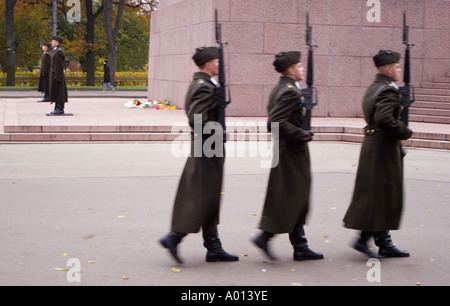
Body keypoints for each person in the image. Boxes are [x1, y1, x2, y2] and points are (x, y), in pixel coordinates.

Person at [158, 47, 239, 264]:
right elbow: (196, 119)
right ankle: (174, 237)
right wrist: (217, 132)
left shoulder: (205, 84)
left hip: (208, 147)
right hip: (206, 149)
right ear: (207, 65)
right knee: (201, 196)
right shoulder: (204, 87)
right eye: (216, 61)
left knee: (210, 195)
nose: (219, 65)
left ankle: (213, 247)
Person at [252, 51, 323, 261]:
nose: (302, 69)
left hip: (286, 148)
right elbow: (274, 122)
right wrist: (299, 133)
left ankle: (299, 245)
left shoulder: (281, 88)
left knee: (293, 195)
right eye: (300, 66)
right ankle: (267, 237)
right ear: (291, 69)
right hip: (291, 150)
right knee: (294, 196)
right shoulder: (290, 91)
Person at [343, 50, 413, 258]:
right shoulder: (388, 91)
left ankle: (384, 242)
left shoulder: (375, 87)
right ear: (389, 69)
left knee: (381, 192)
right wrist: (404, 131)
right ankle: (363, 240)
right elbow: (385, 119)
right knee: (381, 193)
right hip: (383, 148)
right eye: (397, 67)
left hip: (375, 145)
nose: (399, 70)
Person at [48, 35, 68, 115]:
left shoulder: (59, 51)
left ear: (57, 42)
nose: (52, 42)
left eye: (53, 41)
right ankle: (57, 107)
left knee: (59, 92)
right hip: (56, 74)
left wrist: (57, 77)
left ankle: (59, 108)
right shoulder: (57, 51)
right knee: (57, 92)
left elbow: (59, 66)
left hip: (57, 75)